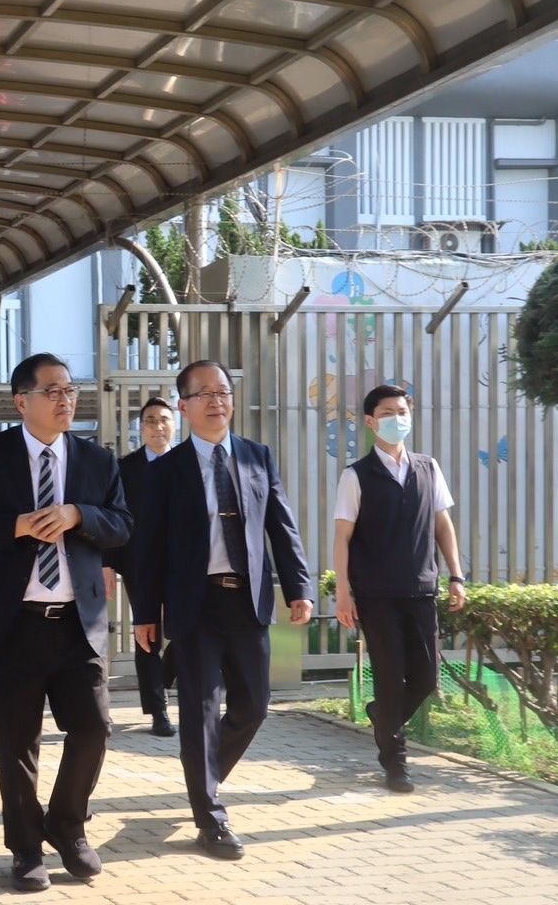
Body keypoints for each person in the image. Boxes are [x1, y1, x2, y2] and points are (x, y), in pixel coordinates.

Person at [0, 353, 132, 893]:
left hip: (78, 622)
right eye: (52, 391)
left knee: (93, 728)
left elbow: (122, 524)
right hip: (15, 623)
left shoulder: (96, 460)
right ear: (21, 401)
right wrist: (19, 525)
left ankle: (67, 826)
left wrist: (78, 515)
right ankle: (26, 848)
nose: (64, 399)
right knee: (16, 742)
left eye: (70, 390)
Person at [131, 360, 313, 861]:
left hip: (247, 601)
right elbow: (149, 546)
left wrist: (299, 587)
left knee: (253, 707)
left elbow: (282, 526)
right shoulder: (166, 470)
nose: (216, 402)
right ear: (184, 406)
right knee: (201, 711)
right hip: (195, 604)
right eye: (204, 394)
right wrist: (145, 612)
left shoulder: (257, 456)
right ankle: (210, 816)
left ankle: (203, 776)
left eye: (223, 392)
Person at [333, 384, 467, 793]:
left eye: (402, 411)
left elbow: (442, 524)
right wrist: (343, 592)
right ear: (370, 422)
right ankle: (396, 765)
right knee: (390, 678)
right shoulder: (356, 475)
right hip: (376, 594)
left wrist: (457, 576)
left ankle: (382, 716)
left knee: (425, 678)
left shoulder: (428, 467)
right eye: (387, 413)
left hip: (422, 588)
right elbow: (342, 537)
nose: (397, 419)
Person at [106, 397, 179, 737]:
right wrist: (108, 563)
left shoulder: (189, 463)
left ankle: (161, 681)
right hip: (140, 563)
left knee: (189, 627)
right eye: (151, 420)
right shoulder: (125, 468)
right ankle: (158, 710)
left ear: (174, 424)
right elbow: (112, 517)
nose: (158, 426)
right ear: (141, 427)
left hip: (185, 564)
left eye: (164, 419)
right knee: (147, 633)